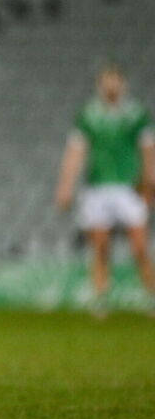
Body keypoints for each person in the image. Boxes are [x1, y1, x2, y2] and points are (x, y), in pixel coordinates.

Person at [55, 64, 155, 316]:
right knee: (100, 246)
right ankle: (101, 297)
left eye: (115, 81)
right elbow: (76, 151)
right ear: (99, 85)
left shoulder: (136, 114)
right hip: (97, 187)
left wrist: (150, 181)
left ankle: (152, 294)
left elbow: (148, 150)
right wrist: (66, 185)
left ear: (123, 84)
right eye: (106, 81)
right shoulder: (88, 115)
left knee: (140, 246)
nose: (111, 86)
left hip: (128, 187)